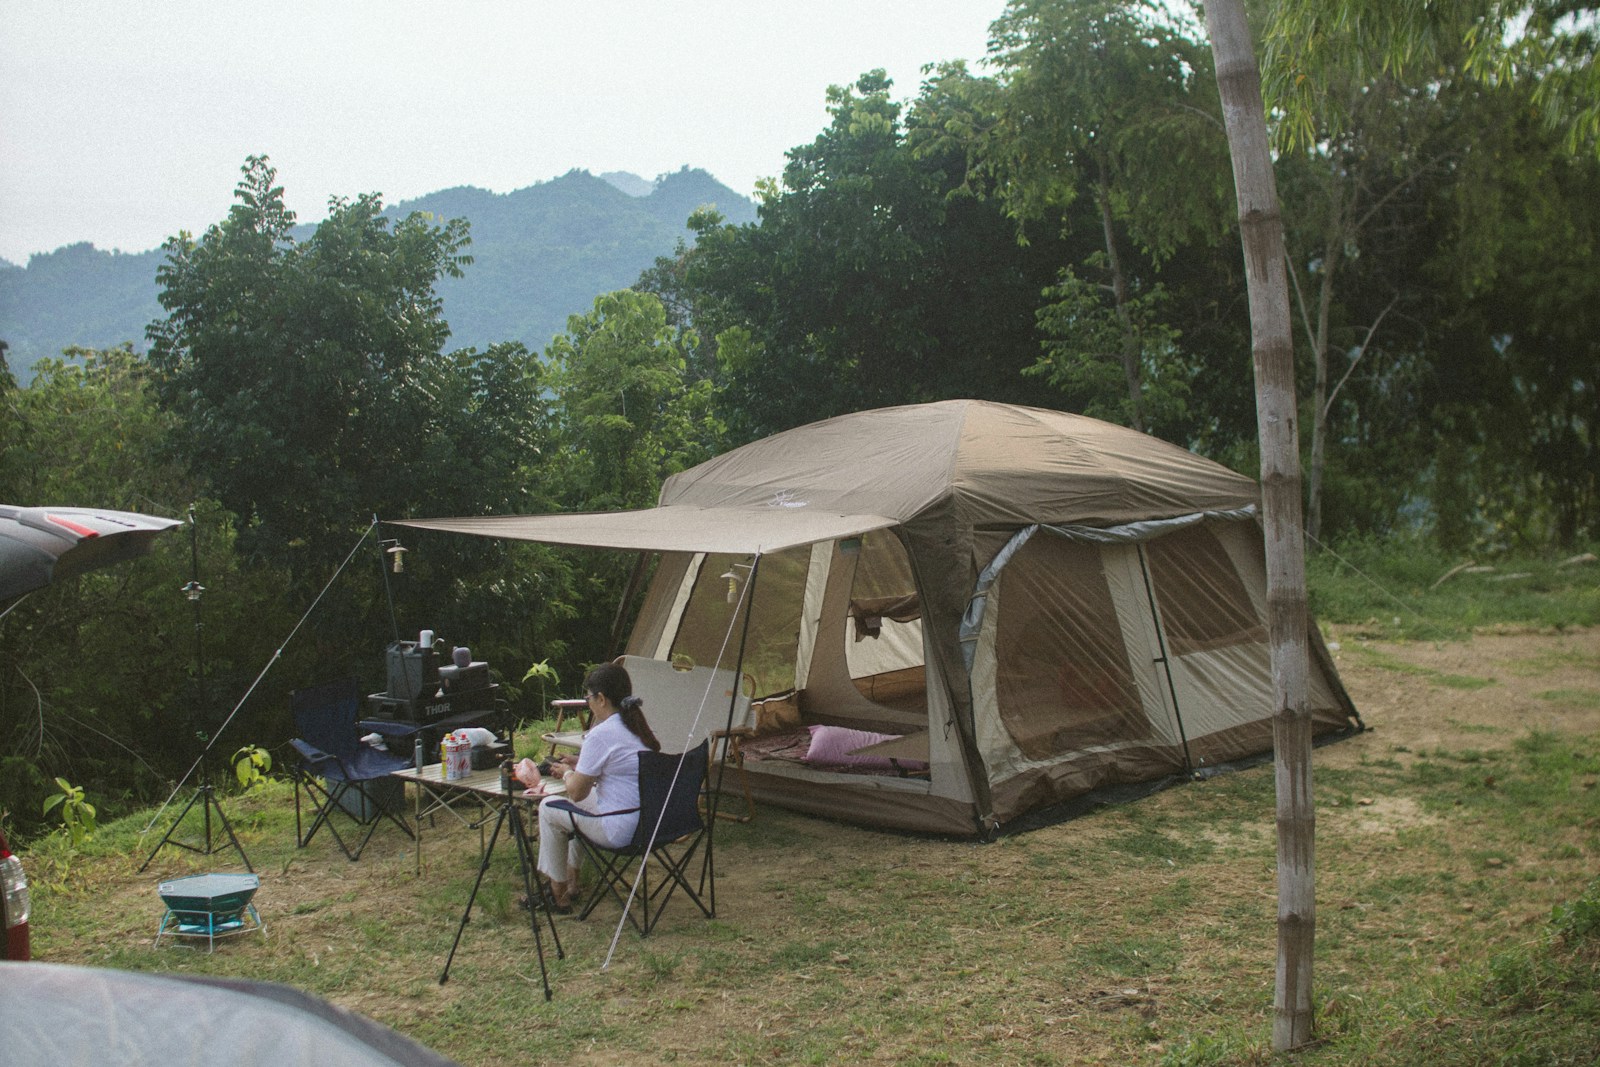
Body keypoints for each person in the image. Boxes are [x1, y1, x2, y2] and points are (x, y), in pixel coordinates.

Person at [536, 662, 660, 911]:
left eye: (588, 697)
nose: (588, 703)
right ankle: (571, 881)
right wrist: (582, 765)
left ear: (601, 699)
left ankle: (556, 892)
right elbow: (619, 768)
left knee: (549, 807)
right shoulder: (638, 729)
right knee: (579, 806)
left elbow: (576, 791)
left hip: (621, 830)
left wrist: (568, 772)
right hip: (652, 823)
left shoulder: (601, 734)